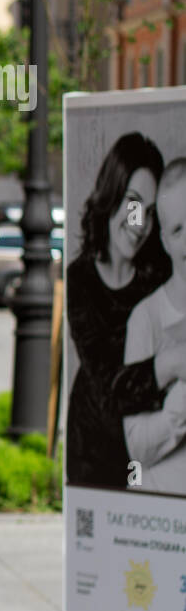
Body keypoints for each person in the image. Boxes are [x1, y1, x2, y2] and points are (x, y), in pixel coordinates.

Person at [66, 132, 186, 490]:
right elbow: (109, 390)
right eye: (133, 204)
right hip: (95, 456)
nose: (139, 224)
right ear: (111, 194)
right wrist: (172, 363)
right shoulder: (81, 281)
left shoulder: (158, 273)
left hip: (158, 459)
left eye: (149, 214)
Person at [121, 159, 186, 494]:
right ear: (164, 239)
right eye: (178, 230)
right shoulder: (147, 318)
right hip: (159, 513)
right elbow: (138, 448)